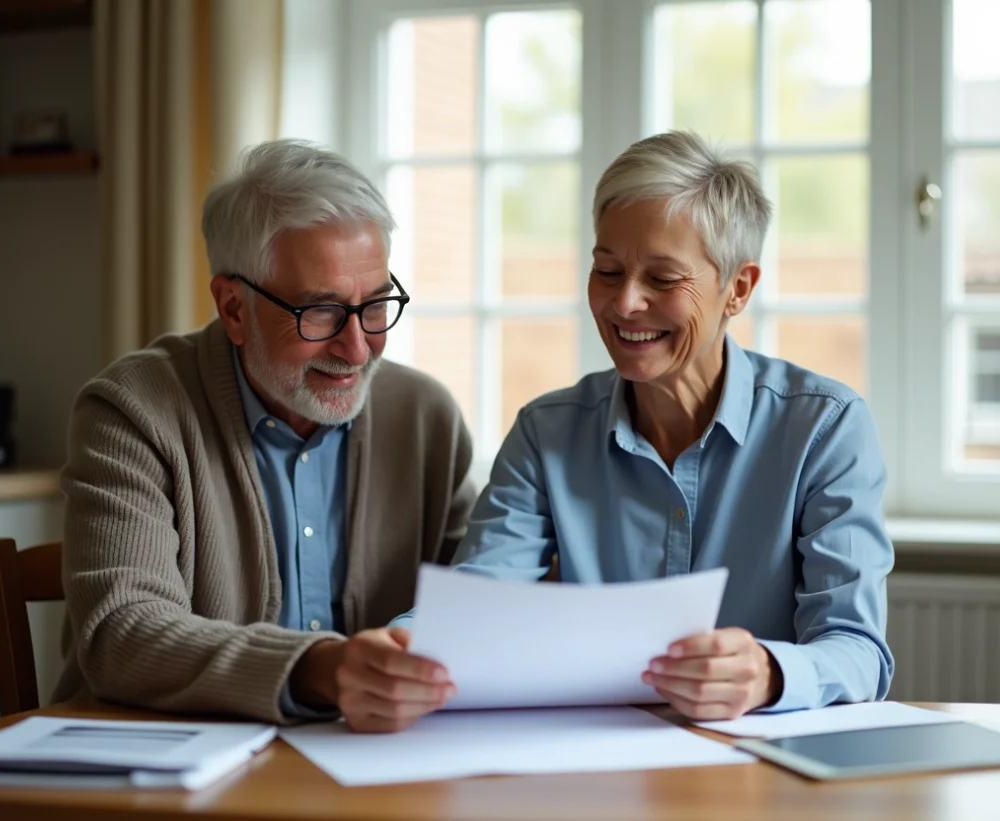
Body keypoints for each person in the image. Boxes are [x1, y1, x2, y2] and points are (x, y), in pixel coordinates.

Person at [372, 130, 895, 730]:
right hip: (591, 762)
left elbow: (857, 651)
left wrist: (768, 673)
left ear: (738, 289)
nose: (624, 304)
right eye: (607, 270)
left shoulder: (825, 428)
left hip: (758, 767)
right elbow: (477, 607)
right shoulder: (547, 434)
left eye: (663, 280)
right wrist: (396, 649)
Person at [52, 139, 477, 729]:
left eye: (376, 304)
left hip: (364, 765)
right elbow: (121, 633)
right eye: (320, 312)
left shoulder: (426, 416)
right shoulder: (132, 411)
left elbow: (481, 595)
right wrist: (321, 668)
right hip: (161, 771)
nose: (357, 348)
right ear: (233, 307)